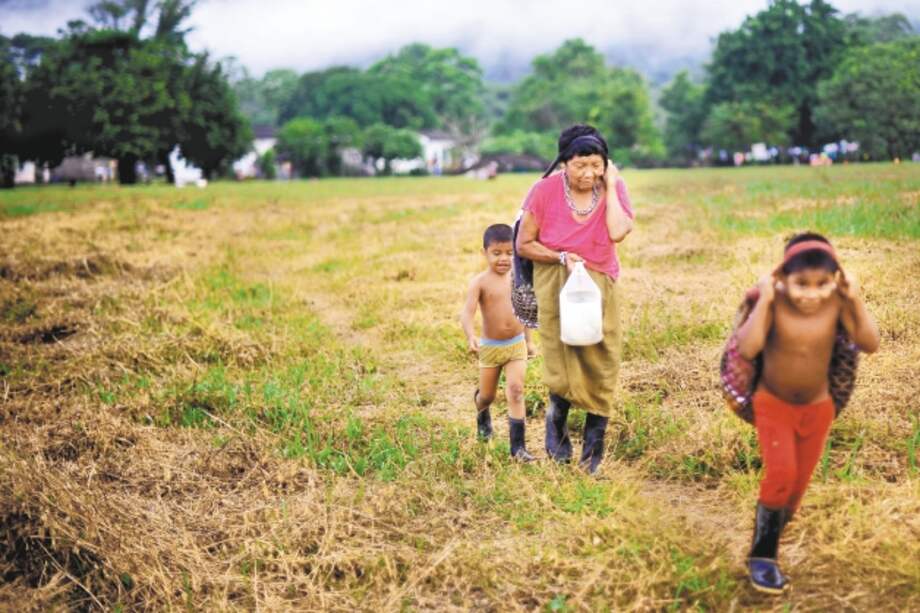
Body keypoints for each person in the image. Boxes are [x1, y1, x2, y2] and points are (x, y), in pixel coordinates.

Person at [735, 232, 880, 594]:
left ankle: (766, 538)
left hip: (818, 409)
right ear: (782, 278)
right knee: (781, 473)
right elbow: (748, 347)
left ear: (836, 279)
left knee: (796, 488)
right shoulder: (773, 303)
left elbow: (870, 343)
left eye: (822, 284)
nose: (811, 293)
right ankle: (763, 557)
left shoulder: (838, 304)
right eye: (801, 283)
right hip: (773, 405)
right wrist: (765, 299)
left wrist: (854, 298)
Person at [515, 125, 635, 474]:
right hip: (555, 278)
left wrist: (610, 184)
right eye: (580, 165)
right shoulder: (543, 191)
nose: (588, 173)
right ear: (564, 164)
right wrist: (561, 256)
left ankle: (592, 456)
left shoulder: (613, 187)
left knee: (603, 356)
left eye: (596, 165)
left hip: (599, 281)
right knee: (562, 355)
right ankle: (558, 438)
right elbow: (524, 244)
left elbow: (616, 232)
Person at [460, 224, 537, 461]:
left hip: (516, 345)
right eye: (496, 253)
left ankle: (518, 448)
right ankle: (482, 412)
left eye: (509, 253)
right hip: (491, 348)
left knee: (516, 390)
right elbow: (467, 312)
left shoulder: (518, 278)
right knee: (488, 396)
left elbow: (524, 312)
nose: (503, 259)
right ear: (484, 253)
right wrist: (471, 335)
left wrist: (529, 341)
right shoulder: (480, 282)